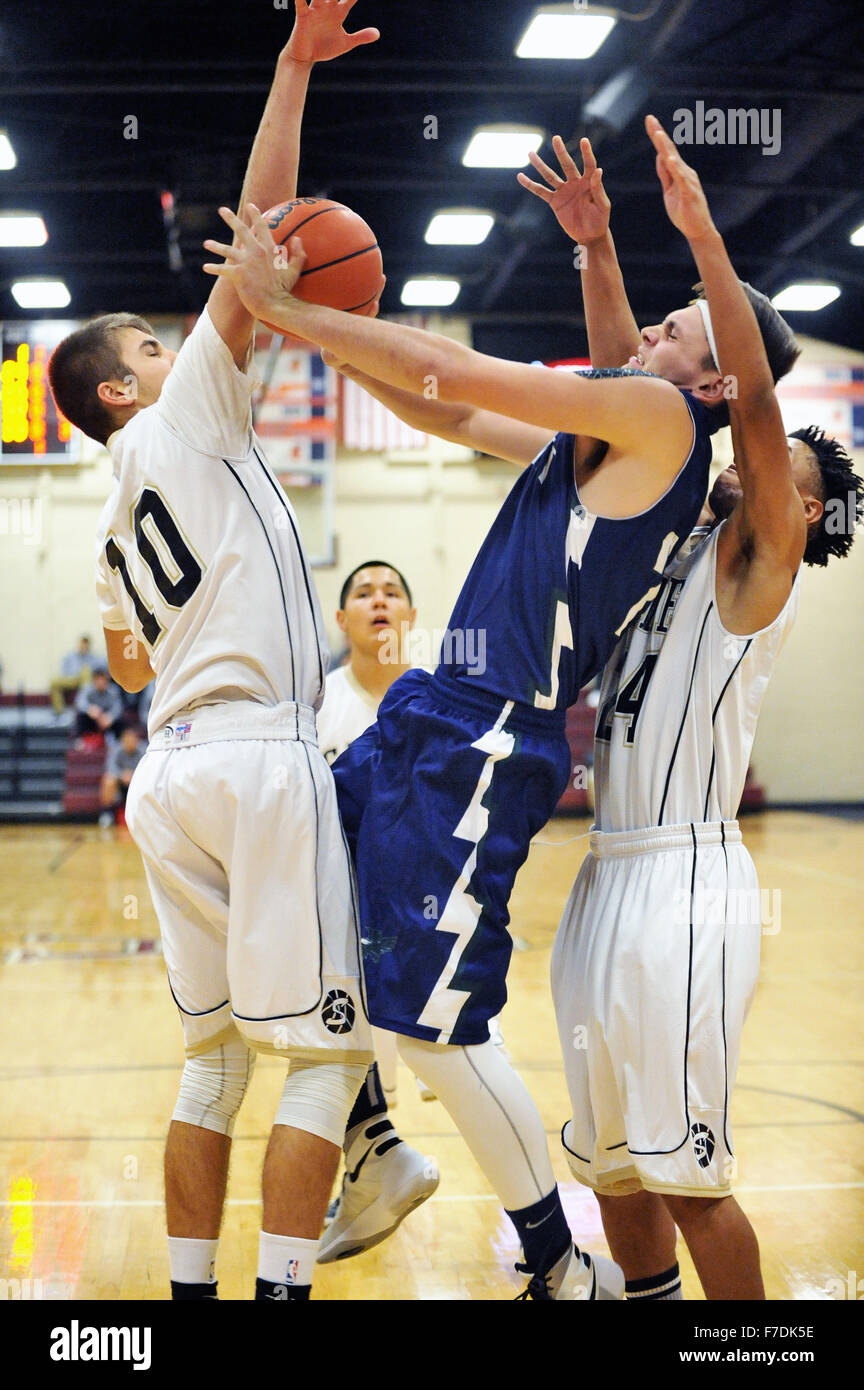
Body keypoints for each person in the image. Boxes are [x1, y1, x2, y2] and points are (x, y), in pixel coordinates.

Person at [202, 124, 799, 1298]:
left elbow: (465, 376)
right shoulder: (614, 430)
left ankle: (548, 1258)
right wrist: (595, 253)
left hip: (489, 739)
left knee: (435, 1022)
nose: (660, 328)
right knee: (295, 869)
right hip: (435, 709)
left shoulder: (666, 427)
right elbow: (451, 416)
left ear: (714, 376)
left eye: (683, 323)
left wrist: (287, 312)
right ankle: (374, 1138)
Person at [48, 0, 380, 1303]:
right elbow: (264, 239)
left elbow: (126, 672)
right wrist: (291, 71)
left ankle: (191, 1290)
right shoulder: (180, 418)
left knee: (214, 1060)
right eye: (151, 343)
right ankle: (283, 1289)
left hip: (168, 775)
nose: (178, 344)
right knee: (322, 1058)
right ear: (124, 391)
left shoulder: (112, 527)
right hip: (256, 760)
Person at [545, 118, 864, 1300]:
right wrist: (598, 250)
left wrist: (705, 238)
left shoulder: (756, 567)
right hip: (603, 872)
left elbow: (759, 412)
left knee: (691, 1181)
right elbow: (632, 385)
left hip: (683, 884)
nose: (761, 474)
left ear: (803, 510)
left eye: (791, 478)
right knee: (617, 1174)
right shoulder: (680, 534)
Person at [314, 559, 440, 1261]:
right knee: (344, 1058)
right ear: (341, 621)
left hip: (423, 917)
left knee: (454, 1062)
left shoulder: (441, 701)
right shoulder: (317, 701)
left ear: (412, 617)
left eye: (393, 590)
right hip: (340, 916)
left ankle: (538, 1229)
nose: (379, 600)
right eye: (363, 593)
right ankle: (361, 1177)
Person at [99, 725, 146, 827]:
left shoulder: (144, 749)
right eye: (127, 739)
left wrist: (133, 775)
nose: (130, 742)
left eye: (133, 739)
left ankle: (145, 816)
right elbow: (110, 767)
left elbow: (148, 768)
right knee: (108, 780)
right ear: (123, 740)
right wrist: (122, 775)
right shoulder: (116, 749)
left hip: (138, 782)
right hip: (120, 783)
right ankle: (107, 814)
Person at [74, 666, 124, 741]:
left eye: (103, 679)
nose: (101, 682)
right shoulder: (87, 688)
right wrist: (89, 709)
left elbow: (118, 707)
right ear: (94, 680)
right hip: (92, 718)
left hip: (106, 719)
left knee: (121, 721)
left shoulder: (113, 691)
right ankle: (80, 741)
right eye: (98, 679)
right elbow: (79, 702)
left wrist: (111, 717)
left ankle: (117, 742)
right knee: (81, 717)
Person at [52, 635, 94, 715]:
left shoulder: (91, 657)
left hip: (85, 682)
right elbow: (63, 671)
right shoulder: (69, 656)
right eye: (82, 644)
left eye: (85, 645)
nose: (83, 647)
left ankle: (82, 705)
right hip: (71, 679)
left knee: (85, 672)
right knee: (53, 682)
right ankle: (59, 712)